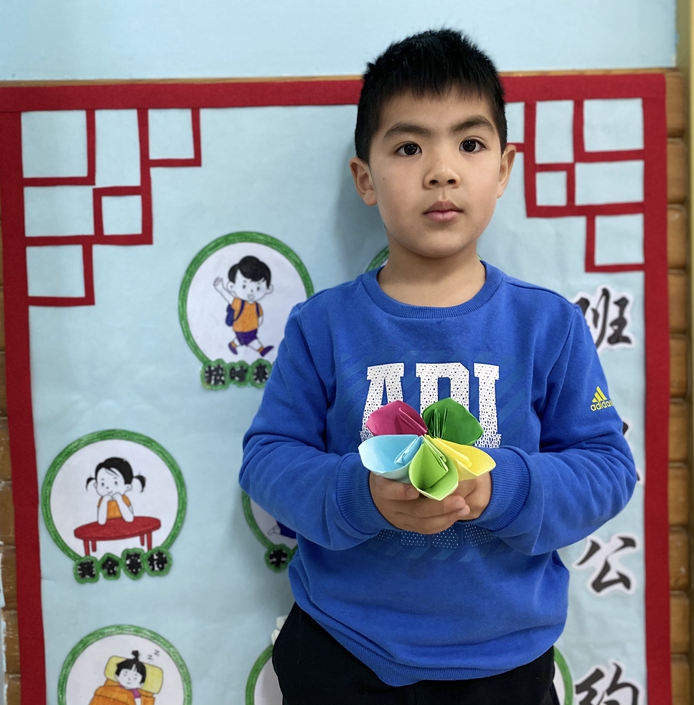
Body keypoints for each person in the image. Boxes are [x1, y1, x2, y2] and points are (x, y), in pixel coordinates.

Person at [239, 28, 637, 705]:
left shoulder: (549, 326)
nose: (442, 170)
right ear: (365, 178)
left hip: (506, 662)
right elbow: (268, 458)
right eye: (408, 147)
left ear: (505, 169)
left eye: (470, 144)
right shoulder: (321, 326)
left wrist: (499, 487)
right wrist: (362, 494)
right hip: (342, 648)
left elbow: (607, 468)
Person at [213, 255, 275, 357]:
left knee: (243, 340)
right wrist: (221, 289)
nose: (251, 291)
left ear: (268, 289)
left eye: (258, 288)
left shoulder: (257, 305)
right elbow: (229, 298)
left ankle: (233, 345)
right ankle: (261, 350)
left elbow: (260, 316)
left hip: (252, 328)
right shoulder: (239, 302)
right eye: (244, 286)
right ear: (232, 286)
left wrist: (257, 324)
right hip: (241, 328)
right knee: (251, 340)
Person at [86, 457, 146, 525]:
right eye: (102, 483)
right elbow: (101, 522)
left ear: (127, 486)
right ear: (96, 485)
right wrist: (104, 502)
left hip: (125, 527)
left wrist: (119, 500)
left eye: (115, 483)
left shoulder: (124, 499)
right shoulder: (102, 501)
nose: (108, 487)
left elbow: (130, 519)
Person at [88, 651, 155, 705]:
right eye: (125, 674)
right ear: (117, 676)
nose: (129, 679)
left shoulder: (136, 693)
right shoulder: (112, 689)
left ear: (140, 684)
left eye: (135, 678)